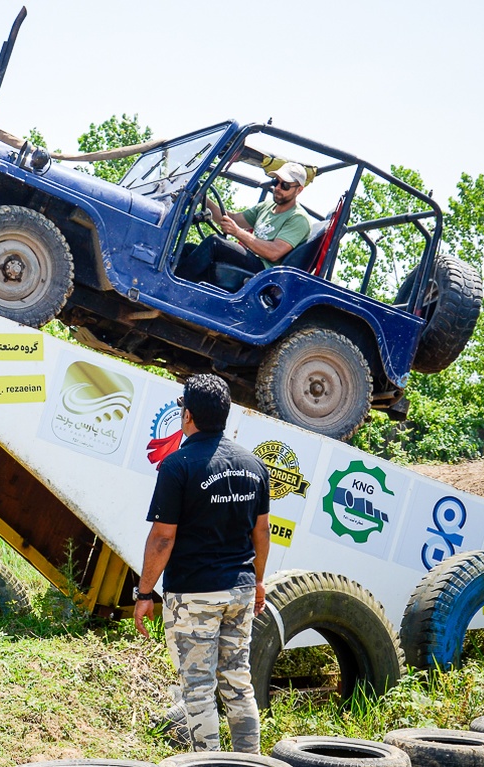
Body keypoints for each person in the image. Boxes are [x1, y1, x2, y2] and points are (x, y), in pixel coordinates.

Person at [133, 374, 271, 753]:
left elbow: (163, 538)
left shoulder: (178, 466)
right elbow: (262, 532)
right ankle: (249, 762)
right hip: (241, 589)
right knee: (238, 683)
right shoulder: (254, 465)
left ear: (187, 415)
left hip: (194, 592)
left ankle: (207, 763)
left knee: (198, 689)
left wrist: (144, 592)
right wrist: (257, 581)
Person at [178, 161, 313, 283]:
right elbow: (232, 219)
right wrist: (201, 198)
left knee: (215, 243)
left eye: (285, 185)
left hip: (264, 272)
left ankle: (168, 288)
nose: (277, 188)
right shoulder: (266, 206)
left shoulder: (298, 218)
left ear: (299, 190)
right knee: (188, 249)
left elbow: (274, 253)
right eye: (275, 182)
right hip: (250, 259)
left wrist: (237, 232)